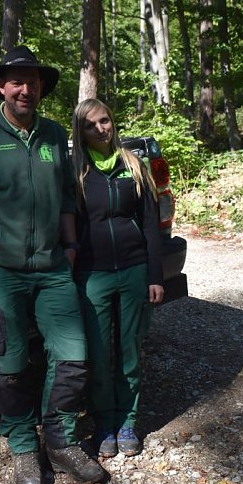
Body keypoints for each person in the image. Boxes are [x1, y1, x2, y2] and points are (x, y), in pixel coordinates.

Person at [0, 46, 105, 484]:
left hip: (53, 268)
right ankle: (23, 448)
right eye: (17, 81)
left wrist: (70, 246)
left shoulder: (54, 135)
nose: (26, 89)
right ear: (2, 86)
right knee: (10, 366)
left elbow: (68, 197)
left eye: (33, 82)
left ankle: (62, 441)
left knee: (73, 358)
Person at [70, 98, 165, 458]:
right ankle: (104, 424)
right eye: (91, 124)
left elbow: (150, 225)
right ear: (81, 131)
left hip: (133, 271)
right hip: (92, 276)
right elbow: (69, 228)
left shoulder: (134, 166)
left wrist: (155, 275)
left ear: (113, 122)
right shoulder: (75, 172)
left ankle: (127, 422)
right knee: (97, 355)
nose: (101, 129)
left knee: (129, 353)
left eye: (105, 120)